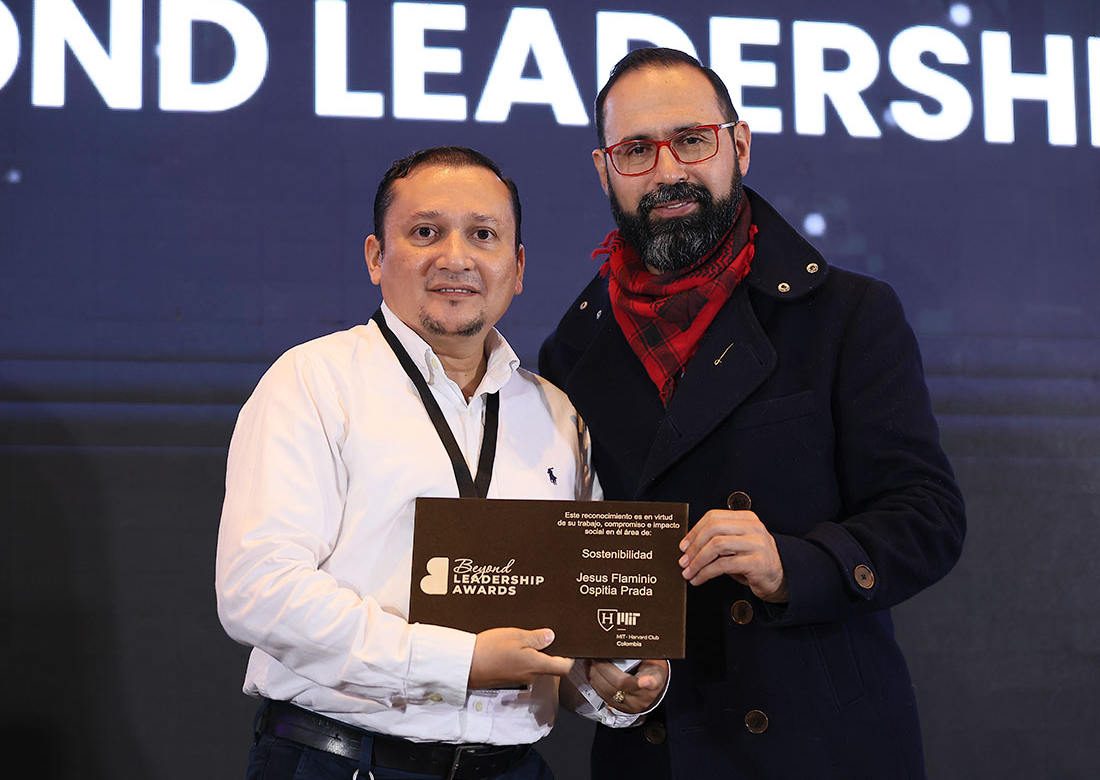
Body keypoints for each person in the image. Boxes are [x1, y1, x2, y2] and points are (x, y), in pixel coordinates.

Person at [539, 48, 966, 779]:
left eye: (692, 139)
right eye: (636, 150)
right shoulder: (571, 351)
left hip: (820, 744)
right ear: (604, 169)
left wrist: (792, 566)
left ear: (737, 145)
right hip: (654, 749)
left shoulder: (846, 314)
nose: (668, 170)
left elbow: (928, 516)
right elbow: (568, 553)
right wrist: (595, 674)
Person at [216, 146, 666, 780]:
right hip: (340, 763)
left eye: (484, 235)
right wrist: (460, 660)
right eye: (425, 232)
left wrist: (613, 680)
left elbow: (575, 616)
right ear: (376, 256)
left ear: (517, 266)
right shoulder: (313, 381)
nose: (456, 257)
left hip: (512, 768)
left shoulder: (556, 415)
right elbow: (258, 592)